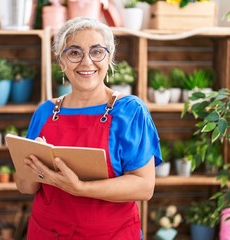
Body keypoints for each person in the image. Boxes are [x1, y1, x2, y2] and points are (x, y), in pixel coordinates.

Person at [15, 17, 162, 239]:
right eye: (74, 52)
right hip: (47, 232)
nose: (86, 62)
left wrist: (80, 188)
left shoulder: (130, 111)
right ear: (61, 60)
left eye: (96, 51)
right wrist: (37, 166)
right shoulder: (45, 112)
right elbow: (25, 187)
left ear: (109, 57)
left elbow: (144, 186)